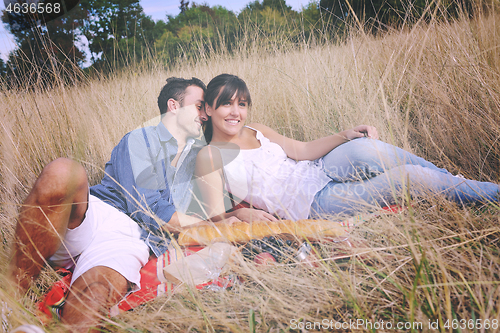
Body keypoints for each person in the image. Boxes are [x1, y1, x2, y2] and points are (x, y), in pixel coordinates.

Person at [7, 77, 230, 332]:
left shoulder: (194, 158)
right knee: (62, 171)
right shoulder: (143, 139)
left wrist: (233, 214)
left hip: (130, 240)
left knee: (96, 294)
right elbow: (150, 211)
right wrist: (214, 224)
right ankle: (9, 301)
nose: (205, 115)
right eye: (200, 106)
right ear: (174, 106)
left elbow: (200, 208)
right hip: (96, 215)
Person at [195, 74, 499, 222]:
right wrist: (243, 216)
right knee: (409, 178)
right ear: (208, 109)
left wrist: (344, 135)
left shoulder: (256, 130)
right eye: (226, 104)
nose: (235, 112)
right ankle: (492, 195)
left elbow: (301, 150)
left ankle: (454, 182)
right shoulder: (209, 155)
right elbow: (212, 215)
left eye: (242, 104)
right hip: (312, 202)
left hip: (317, 169)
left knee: (366, 148)